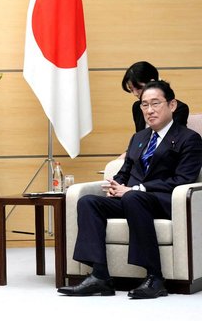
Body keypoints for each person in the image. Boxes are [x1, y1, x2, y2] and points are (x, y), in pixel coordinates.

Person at [58, 80, 202, 299]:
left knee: (134, 197)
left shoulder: (188, 138)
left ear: (172, 105)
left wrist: (137, 188)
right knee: (88, 202)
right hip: (131, 199)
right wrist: (115, 185)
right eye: (144, 105)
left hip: (164, 201)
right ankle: (100, 276)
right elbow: (125, 171)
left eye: (155, 103)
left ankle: (155, 278)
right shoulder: (139, 137)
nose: (150, 110)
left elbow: (183, 179)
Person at [121, 61, 189, 132]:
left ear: (152, 83)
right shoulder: (137, 107)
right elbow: (140, 138)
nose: (135, 93)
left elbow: (176, 138)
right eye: (131, 89)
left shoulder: (179, 108)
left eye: (139, 88)